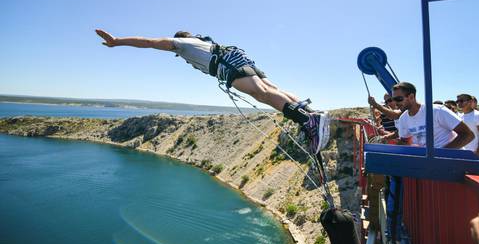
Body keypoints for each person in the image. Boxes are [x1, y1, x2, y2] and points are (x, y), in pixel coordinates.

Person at [95, 29, 330, 154]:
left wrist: (117, 41)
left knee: (262, 94)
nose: (180, 58)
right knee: (272, 89)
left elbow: (148, 42)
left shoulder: (182, 44)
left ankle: (307, 121)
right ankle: (312, 113)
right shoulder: (205, 42)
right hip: (238, 58)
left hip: (227, 66)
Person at [392, 82, 474, 148]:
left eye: (398, 99)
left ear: (411, 97)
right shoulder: (403, 119)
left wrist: (442, 154)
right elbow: (404, 141)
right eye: (393, 99)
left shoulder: (436, 111)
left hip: (450, 161)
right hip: (427, 162)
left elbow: (468, 135)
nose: (395, 103)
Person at [456, 94, 479, 159]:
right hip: (462, 152)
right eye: (457, 101)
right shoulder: (459, 116)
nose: (459, 103)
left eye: (461, 101)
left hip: (475, 152)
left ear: (470, 102)